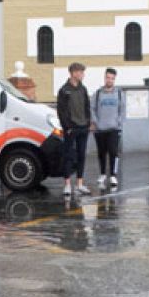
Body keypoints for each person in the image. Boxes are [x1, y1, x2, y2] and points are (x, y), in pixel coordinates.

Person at [56, 62, 91, 197]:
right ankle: (67, 184)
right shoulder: (64, 90)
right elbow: (61, 111)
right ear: (73, 73)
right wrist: (67, 127)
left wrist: (88, 123)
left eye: (83, 72)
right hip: (71, 128)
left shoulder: (83, 89)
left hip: (83, 127)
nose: (83, 75)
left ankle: (80, 184)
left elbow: (87, 107)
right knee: (69, 156)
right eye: (81, 72)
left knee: (82, 155)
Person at [92, 67, 126, 191]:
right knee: (101, 153)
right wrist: (95, 122)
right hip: (100, 129)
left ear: (114, 79)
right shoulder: (98, 94)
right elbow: (92, 109)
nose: (109, 80)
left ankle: (113, 175)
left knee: (113, 152)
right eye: (108, 77)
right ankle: (102, 174)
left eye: (112, 78)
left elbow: (122, 110)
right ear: (104, 78)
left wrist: (119, 123)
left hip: (114, 129)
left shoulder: (119, 94)